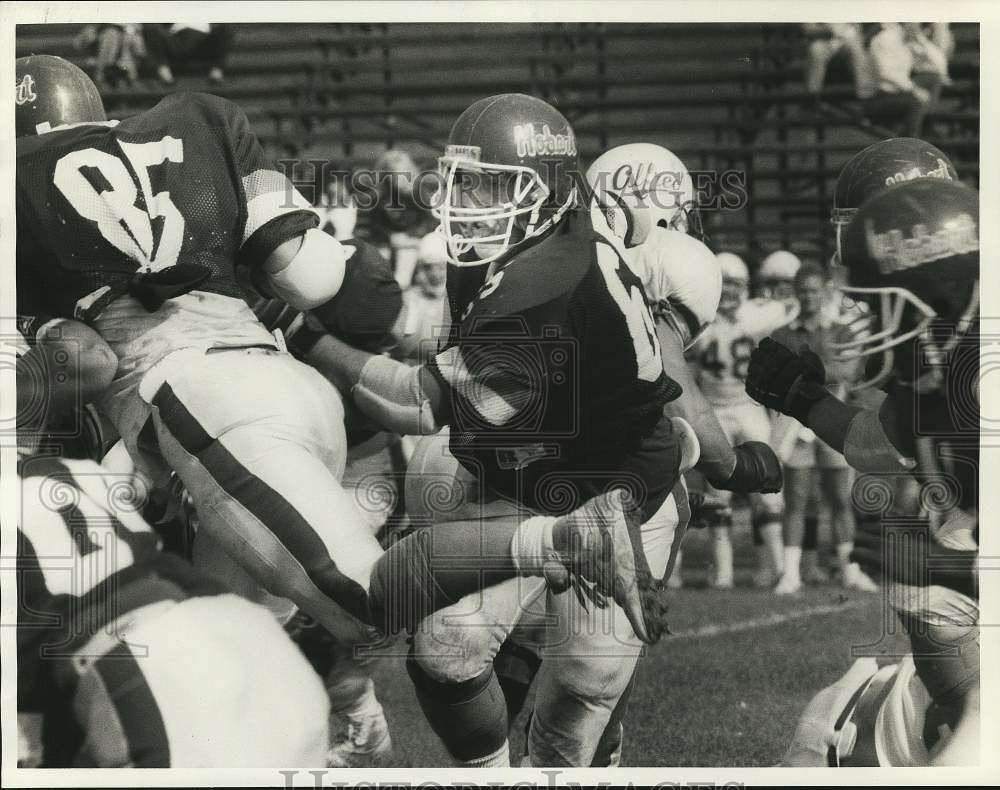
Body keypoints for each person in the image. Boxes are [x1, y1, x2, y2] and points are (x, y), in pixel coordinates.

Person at [16, 57, 632, 762]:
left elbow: (89, 359)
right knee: (235, 650)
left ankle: (560, 540)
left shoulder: (19, 184)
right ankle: (326, 728)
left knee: (364, 596)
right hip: (288, 387)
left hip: (200, 399)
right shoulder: (200, 115)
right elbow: (312, 277)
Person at [305, 95, 712, 767]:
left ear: (546, 186)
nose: (470, 200)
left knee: (581, 689)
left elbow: (414, 405)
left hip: (615, 494)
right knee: (445, 651)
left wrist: (305, 335)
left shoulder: (545, 282)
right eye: (466, 180)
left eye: (494, 184)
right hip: (517, 474)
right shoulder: (536, 237)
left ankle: (588, 757)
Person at [748, 177, 979, 766]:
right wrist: (804, 402)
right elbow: (875, 441)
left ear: (935, 294)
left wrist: (960, 565)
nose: (861, 320)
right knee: (826, 731)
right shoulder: (940, 368)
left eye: (878, 304)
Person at [769, 264, 878, 594]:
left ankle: (850, 570)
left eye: (815, 290)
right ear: (796, 294)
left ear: (825, 293)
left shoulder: (842, 331)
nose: (810, 297)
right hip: (797, 422)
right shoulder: (783, 333)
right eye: (804, 291)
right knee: (797, 498)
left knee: (840, 498)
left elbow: (847, 371)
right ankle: (790, 573)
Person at [689, 251, 795, 588]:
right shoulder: (699, 318)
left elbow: (788, 310)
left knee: (768, 490)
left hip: (750, 408)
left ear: (746, 286)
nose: (730, 292)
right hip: (714, 411)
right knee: (717, 492)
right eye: (724, 285)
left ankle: (780, 569)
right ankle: (723, 573)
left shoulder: (757, 315)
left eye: (735, 285)